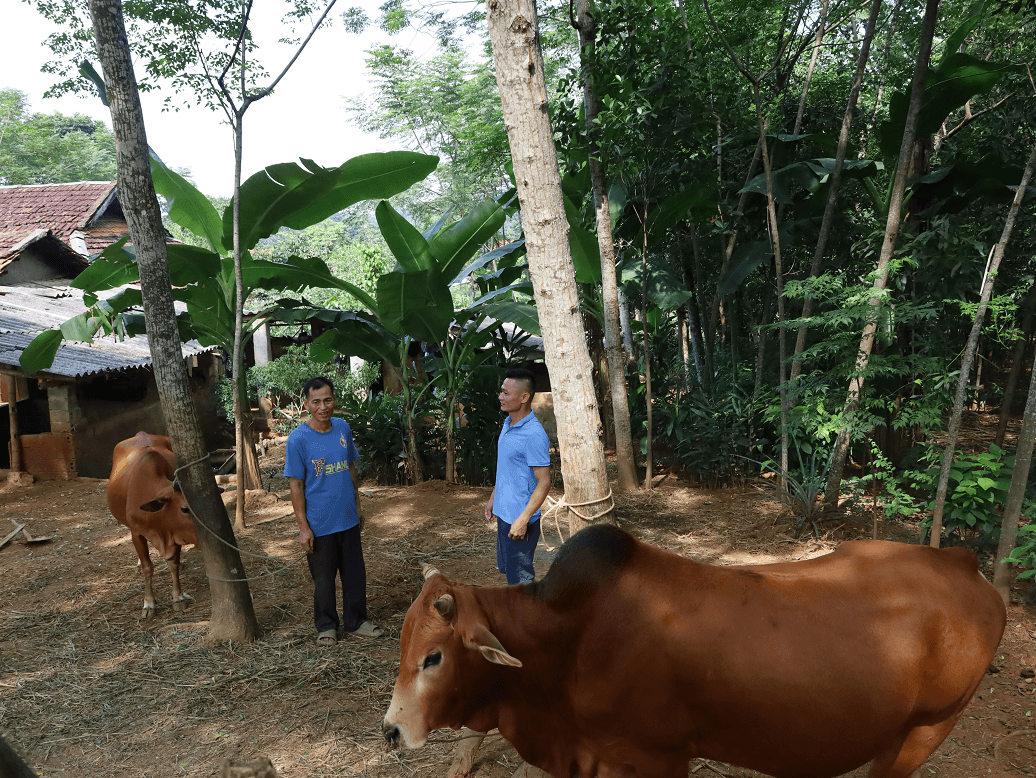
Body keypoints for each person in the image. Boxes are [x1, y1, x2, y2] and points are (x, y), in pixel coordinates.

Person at [285, 376, 384, 646]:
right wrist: (303, 527)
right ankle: (326, 626)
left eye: (327, 400)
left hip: (348, 518)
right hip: (319, 523)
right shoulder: (298, 440)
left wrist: (359, 505)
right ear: (306, 404)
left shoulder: (342, 428)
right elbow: (296, 485)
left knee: (354, 574)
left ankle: (356, 621)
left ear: (334, 401)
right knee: (324, 580)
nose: (323, 406)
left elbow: (350, 467)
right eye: (316, 401)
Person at [484, 367, 552, 584]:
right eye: (501, 391)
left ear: (524, 397)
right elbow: (506, 468)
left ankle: (529, 617)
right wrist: (494, 498)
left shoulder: (533, 434)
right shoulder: (508, 424)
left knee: (522, 582)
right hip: (505, 515)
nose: (500, 397)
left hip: (520, 520)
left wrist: (522, 520)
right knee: (510, 574)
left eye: (505, 393)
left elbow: (544, 483)